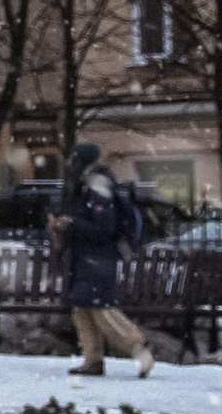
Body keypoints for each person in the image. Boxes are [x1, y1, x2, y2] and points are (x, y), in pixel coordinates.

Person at [54, 142, 155, 379]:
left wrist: (72, 224)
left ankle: (141, 349)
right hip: (86, 256)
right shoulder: (89, 184)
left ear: (83, 161)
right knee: (82, 308)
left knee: (101, 309)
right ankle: (93, 360)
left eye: (73, 160)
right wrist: (65, 225)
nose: (69, 165)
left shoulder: (99, 185)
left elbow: (104, 227)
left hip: (98, 258)